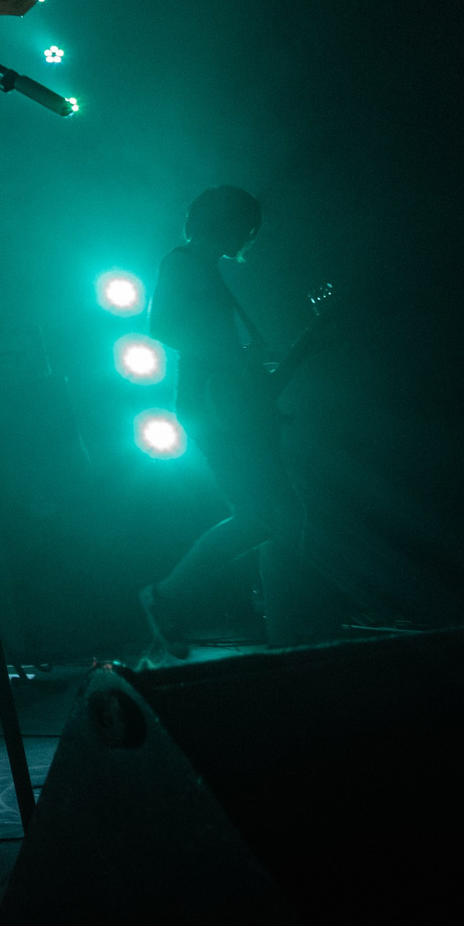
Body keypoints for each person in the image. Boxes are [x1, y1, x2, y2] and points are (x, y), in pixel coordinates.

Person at [138, 184, 305, 656]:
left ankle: (285, 633)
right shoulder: (184, 262)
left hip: (227, 403)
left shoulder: (206, 270)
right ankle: (166, 595)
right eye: (247, 226)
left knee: (281, 514)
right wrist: (231, 361)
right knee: (263, 514)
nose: (250, 236)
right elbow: (162, 326)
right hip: (215, 405)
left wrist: (246, 363)